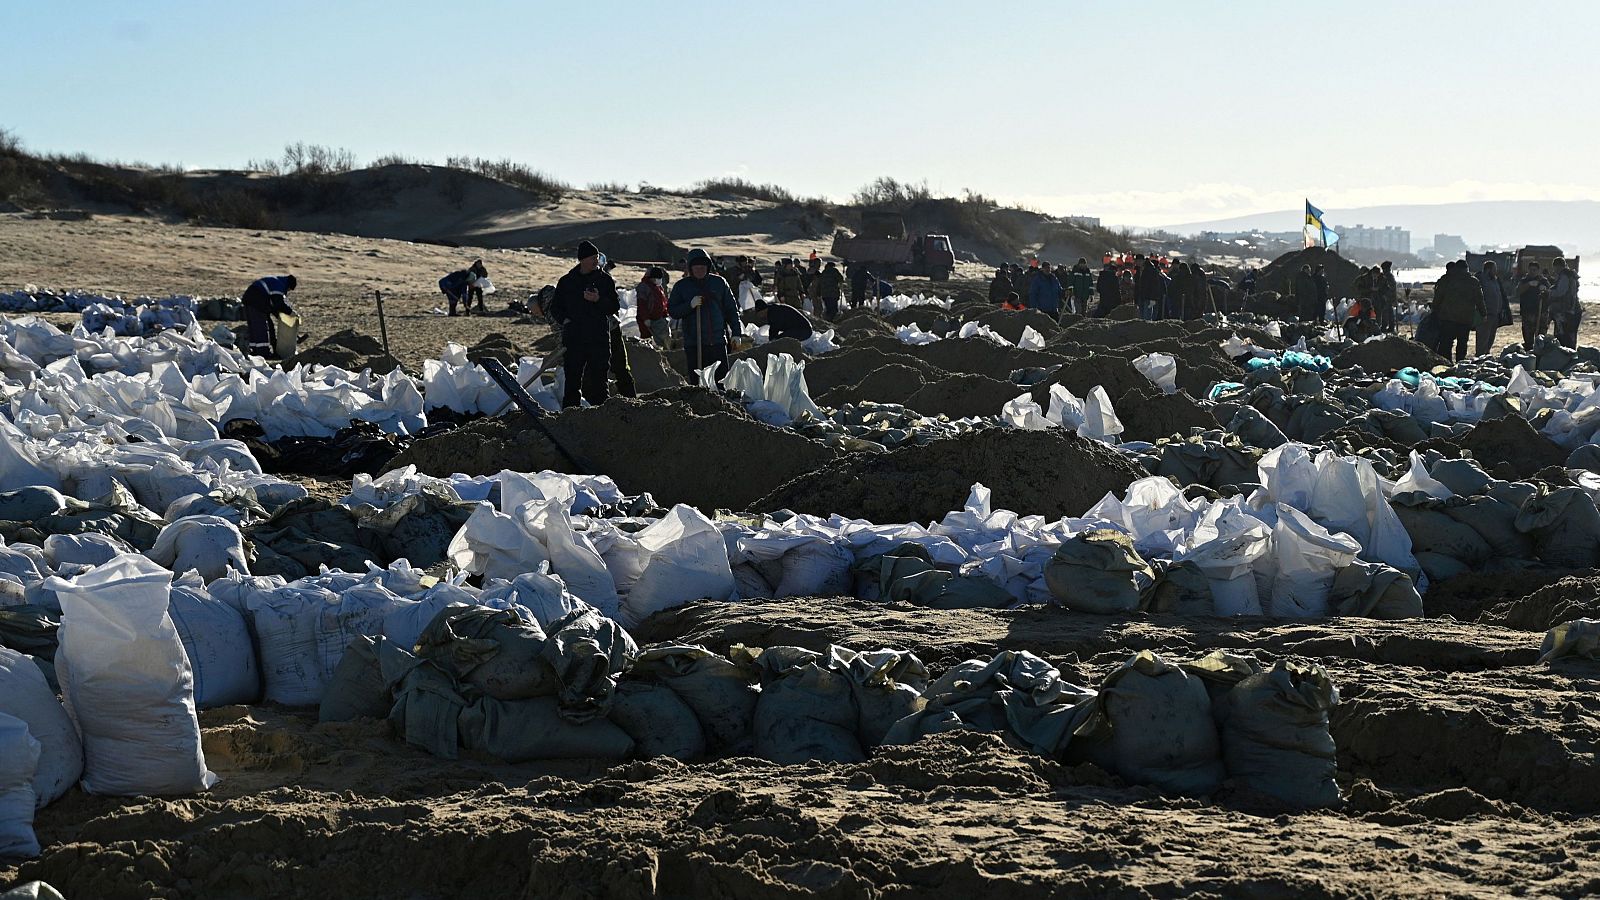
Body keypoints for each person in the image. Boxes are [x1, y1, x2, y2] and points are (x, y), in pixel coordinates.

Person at [548, 240, 620, 408]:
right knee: (572, 381)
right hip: (574, 337)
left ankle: (602, 417)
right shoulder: (567, 281)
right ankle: (570, 417)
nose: (596, 261)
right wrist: (565, 320)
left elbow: (614, 307)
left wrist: (598, 300)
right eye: (592, 258)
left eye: (597, 257)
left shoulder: (605, 280)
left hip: (598, 337)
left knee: (600, 381)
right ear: (582, 260)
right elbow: (556, 307)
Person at [669, 248, 741, 384]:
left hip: (717, 342)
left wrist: (736, 333)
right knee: (698, 383)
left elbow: (731, 310)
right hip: (694, 343)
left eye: (703, 266)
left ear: (708, 267)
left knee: (721, 381)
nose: (699, 269)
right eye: (696, 266)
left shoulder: (719, 283)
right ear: (690, 267)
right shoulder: (681, 286)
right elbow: (673, 311)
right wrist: (689, 305)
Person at [1429, 260, 1487, 362]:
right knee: (1462, 343)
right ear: (1466, 269)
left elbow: (1438, 297)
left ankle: (1446, 363)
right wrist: (1483, 313)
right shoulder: (1473, 281)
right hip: (1465, 318)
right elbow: (1479, 299)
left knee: (1446, 343)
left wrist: (1434, 309)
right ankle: (1460, 362)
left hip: (1447, 317)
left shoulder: (1446, 280)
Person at [240, 274, 297, 357]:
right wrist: (290, 312)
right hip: (256, 300)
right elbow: (278, 303)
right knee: (261, 327)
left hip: (250, 299)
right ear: (288, 285)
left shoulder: (276, 281)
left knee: (254, 327)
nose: (287, 291)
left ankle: (254, 350)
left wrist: (279, 316)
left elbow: (274, 306)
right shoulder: (279, 285)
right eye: (289, 289)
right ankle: (263, 353)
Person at [636, 266, 673, 350]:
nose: (659, 280)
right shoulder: (644, 287)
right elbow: (642, 305)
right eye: (658, 278)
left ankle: (666, 352)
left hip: (659, 319)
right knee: (650, 340)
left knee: (665, 338)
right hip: (649, 320)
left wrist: (665, 314)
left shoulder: (658, 287)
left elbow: (662, 302)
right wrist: (646, 318)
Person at [1516, 262, 1551, 347]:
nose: (1532, 272)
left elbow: (1550, 293)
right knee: (1528, 337)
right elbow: (1518, 291)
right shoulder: (1524, 280)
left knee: (1541, 336)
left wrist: (1545, 290)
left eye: (1534, 270)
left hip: (1541, 312)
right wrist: (1528, 285)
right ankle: (1529, 351)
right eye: (1531, 270)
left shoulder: (1543, 281)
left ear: (1538, 271)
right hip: (1528, 312)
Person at [1549, 257, 1581, 348]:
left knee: (1564, 337)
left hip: (1567, 311)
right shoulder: (1571, 275)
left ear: (1557, 267)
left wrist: (1549, 293)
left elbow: (1560, 292)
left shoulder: (1564, 276)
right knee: (1570, 336)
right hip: (1573, 310)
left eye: (1555, 268)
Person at [1476, 260, 1506, 356]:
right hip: (1485, 314)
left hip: (1495, 314)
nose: (1496, 271)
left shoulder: (1495, 280)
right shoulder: (1481, 280)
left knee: (1490, 338)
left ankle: (1486, 354)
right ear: (1488, 270)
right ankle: (1480, 356)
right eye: (1494, 269)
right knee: (1482, 338)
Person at [749, 298, 814, 343]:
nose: (759, 316)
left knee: (781, 341)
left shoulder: (774, 312)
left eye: (759, 314)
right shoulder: (773, 309)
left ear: (762, 311)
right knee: (780, 339)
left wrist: (771, 342)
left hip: (804, 331)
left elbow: (774, 328)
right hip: (799, 329)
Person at [1376, 261, 1399, 333]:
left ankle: (1386, 326)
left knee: (1386, 313)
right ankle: (1389, 326)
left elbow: (1391, 288)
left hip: (1387, 298)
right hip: (1386, 297)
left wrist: (1387, 296)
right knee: (1388, 312)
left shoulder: (1388, 277)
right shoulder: (1386, 276)